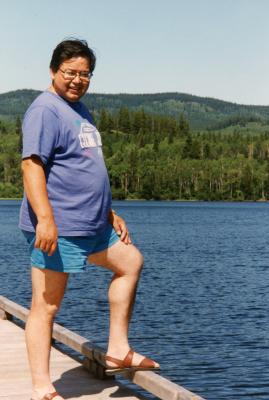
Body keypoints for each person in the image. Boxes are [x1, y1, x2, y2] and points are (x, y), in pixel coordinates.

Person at [19, 39, 159, 400]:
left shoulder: (81, 110)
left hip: (94, 224)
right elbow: (32, 165)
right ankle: (41, 387)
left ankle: (118, 348)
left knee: (130, 261)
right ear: (53, 71)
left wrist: (109, 212)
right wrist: (45, 220)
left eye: (85, 74)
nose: (78, 80)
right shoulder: (45, 110)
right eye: (70, 73)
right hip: (60, 226)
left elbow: (84, 167)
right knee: (46, 306)